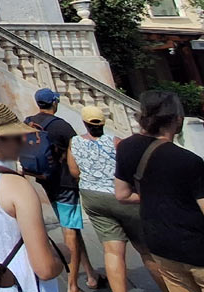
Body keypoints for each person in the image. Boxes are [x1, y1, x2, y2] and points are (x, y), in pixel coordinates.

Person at [0, 101, 65, 292]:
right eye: (17, 136)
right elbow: (45, 269)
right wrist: (65, 255)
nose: (23, 141)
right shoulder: (15, 186)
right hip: (21, 283)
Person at [115, 91, 204, 292]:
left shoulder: (126, 147)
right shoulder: (189, 161)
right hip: (196, 246)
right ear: (177, 119)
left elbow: (122, 194)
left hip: (159, 243)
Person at [68, 105, 163, 292]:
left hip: (92, 197)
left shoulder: (75, 142)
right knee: (145, 249)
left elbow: (74, 171)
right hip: (120, 196)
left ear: (85, 123)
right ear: (103, 123)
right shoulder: (116, 142)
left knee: (112, 250)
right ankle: (167, 288)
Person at [26, 89, 104, 292]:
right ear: (55, 103)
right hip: (65, 183)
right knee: (70, 230)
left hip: (45, 179)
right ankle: (72, 285)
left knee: (72, 227)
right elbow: (76, 151)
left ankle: (90, 274)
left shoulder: (27, 122)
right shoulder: (61, 126)